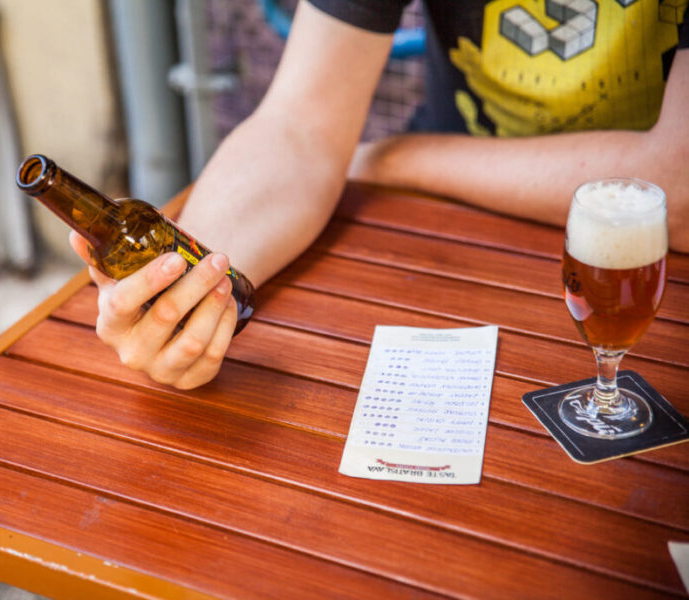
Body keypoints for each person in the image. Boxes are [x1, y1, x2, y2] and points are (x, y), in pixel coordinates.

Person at [70, 0, 688, 390]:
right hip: (445, 238)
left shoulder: (397, 159)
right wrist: (190, 305)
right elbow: (299, 125)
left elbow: (679, 189)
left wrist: (393, 158)